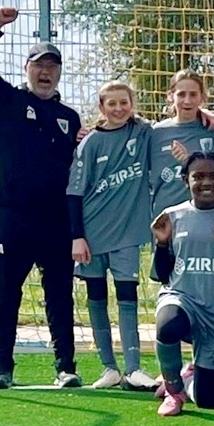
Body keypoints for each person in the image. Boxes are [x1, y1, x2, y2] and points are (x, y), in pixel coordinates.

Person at [0, 7, 82, 389]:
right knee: (5, 294)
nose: (45, 72)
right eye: (39, 65)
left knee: (60, 295)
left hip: (55, 219)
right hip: (11, 215)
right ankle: (2, 368)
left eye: (52, 66)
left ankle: (66, 367)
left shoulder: (69, 117)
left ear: (59, 72)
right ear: (27, 69)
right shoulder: (7, 102)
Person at [150, 151, 214, 416]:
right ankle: (173, 389)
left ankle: (188, 378)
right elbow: (162, 274)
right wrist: (162, 244)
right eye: (198, 176)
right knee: (167, 325)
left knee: (207, 401)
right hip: (180, 298)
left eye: (213, 176)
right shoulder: (171, 216)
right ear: (186, 180)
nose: (206, 182)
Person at [67, 81, 156, 389]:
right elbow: (74, 192)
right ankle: (109, 368)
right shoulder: (90, 142)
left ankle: (133, 368)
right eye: (112, 103)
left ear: (132, 104)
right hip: (92, 234)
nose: (119, 108)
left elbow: (173, 126)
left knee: (128, 296)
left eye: (124, 102)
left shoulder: (142, 133)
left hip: (127, 234)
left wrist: (206, 116)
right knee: (96, 298)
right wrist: (77, 236)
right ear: (101, 107)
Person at [150, 70, 214, 216]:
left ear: (202, 97)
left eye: (193, 94)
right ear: (171, 96)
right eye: (181, 94)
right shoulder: (155, 133)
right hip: (165, 216)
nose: (187, 101)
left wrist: (188, 161)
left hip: (204, 214)